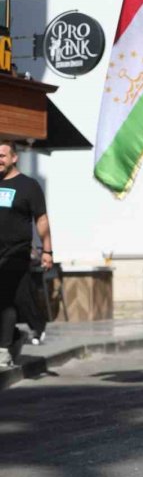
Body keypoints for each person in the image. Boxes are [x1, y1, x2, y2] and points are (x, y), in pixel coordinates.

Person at [0, 141, 53, 367]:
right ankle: (14, 337)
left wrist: (47, 250)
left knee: (6, 301)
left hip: (16, 253)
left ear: (14, 158)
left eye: (2, 155)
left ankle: (3, 352)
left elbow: (41, 219)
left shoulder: (28, 186)